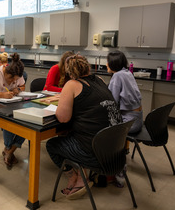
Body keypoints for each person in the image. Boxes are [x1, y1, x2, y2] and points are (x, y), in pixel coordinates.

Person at [46, 54, 122, 200]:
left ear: (69, 72)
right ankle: (81, 175)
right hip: (114, 150)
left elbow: (63, 118)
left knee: (52, 145)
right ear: (88, 66)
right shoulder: (99, 80)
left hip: (95, 153)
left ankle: (77, 176)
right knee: (71, 135)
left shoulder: (72, 85)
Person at [106, 50, 143, 134]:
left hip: (129, 124)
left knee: (99, 123)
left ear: (113, 63)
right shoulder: (127, 73)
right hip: (138, 121)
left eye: (108, 62)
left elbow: (112, 103)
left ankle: (116, 147)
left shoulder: (117, 75)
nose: (106, 64)